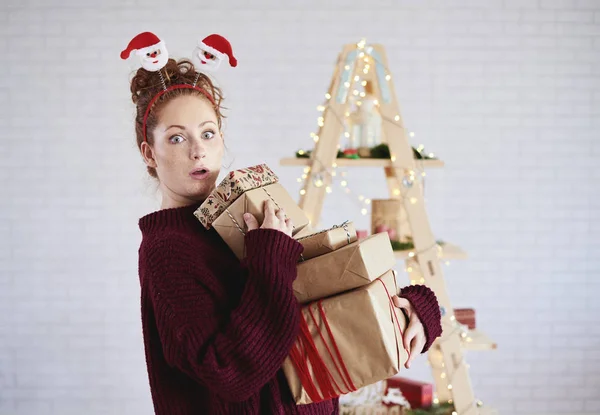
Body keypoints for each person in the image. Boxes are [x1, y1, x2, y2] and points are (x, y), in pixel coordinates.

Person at [131, 57, 443, 414]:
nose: (198, 149)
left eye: (207, 133)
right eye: (176, 138)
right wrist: (269, 257)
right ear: (149, 154)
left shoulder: (236, 218)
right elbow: (229, 373)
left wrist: (416, 309)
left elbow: (319, 294)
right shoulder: (168, 250)